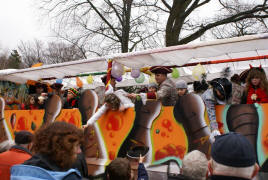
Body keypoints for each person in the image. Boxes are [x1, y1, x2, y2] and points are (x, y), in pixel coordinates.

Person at [11, 121, 83, 180]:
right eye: (77, 146)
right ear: (62, 147)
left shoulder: (20, 171)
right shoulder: (68, 177)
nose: (79, 151)